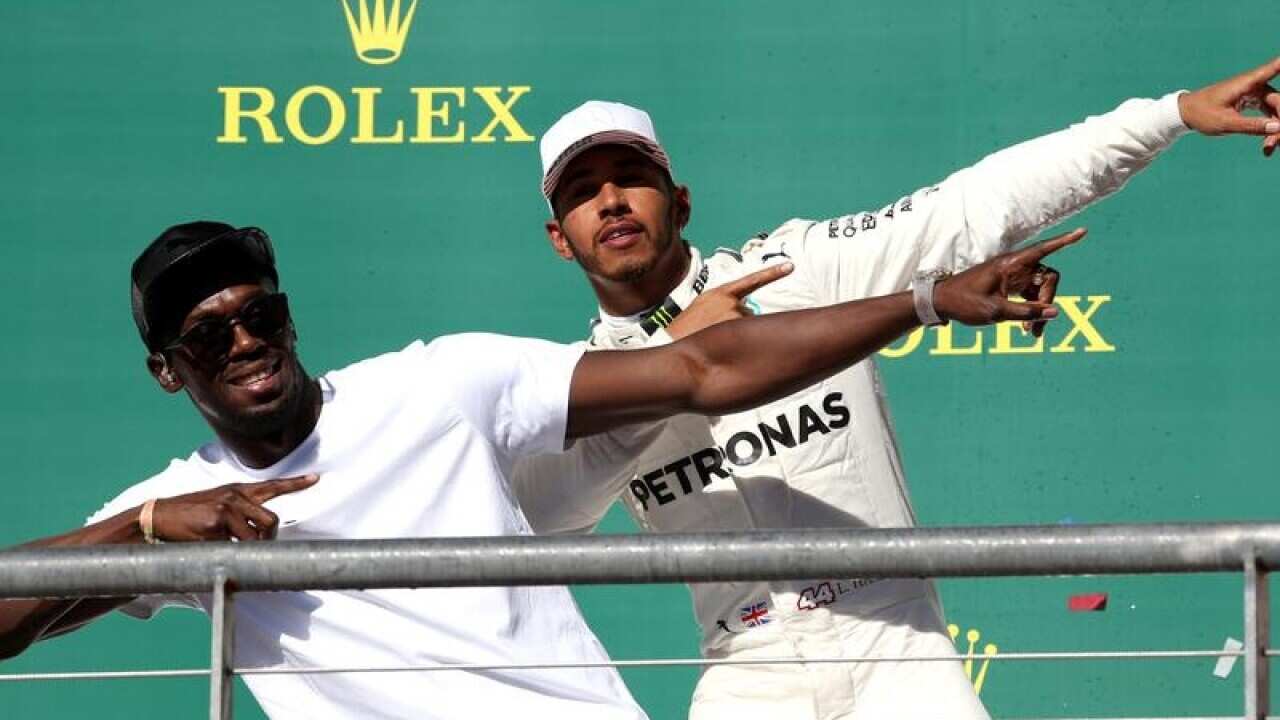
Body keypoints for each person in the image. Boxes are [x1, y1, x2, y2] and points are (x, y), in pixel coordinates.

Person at [0, 220, 1071, 719]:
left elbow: (700, 369)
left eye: (257, 311)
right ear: (163, 373)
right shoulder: (172, 508)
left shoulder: (440, 383)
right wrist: (138, 538)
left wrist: (926, 301)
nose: (241, 340)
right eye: (203, 333)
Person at [513, 57, 1280, 719]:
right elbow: (553, 514)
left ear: (679, 202)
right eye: (582, 192)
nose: (610, 200)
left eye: (631, 179)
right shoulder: (582, 382)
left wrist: (1171, 115)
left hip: (898, 647)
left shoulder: (797, 271)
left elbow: (982, 203)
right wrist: (680, 358)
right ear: (557, 237)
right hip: (744, 670)